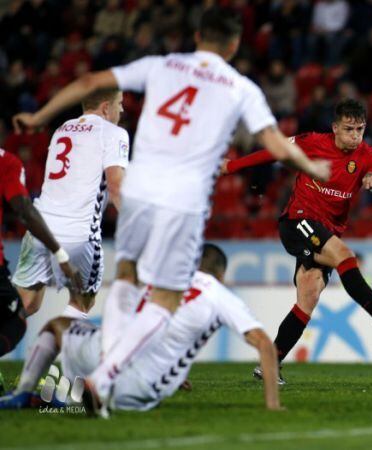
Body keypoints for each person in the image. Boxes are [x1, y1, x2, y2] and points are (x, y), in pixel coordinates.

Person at [12, 7, 329, 415]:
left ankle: (97, 365)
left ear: (197, 36)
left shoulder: (162, 65)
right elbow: (272, 139)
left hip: (140, 189)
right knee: (166, 296)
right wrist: (309, 165)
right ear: (233, 44)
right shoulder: (238, 85)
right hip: (183, 199)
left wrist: (37, 116)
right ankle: (102, 378)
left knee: (125, 280)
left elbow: (91, 81)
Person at [223, 99, 372, 383]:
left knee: (309, 296)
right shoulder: (313, 142)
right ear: (335, 128)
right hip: (297, 221)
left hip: (325, 231)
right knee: (344, 255)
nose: (355, 136)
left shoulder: (365, 154)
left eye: (360, 129)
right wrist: (233, 167)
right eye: (349, 129)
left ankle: (270, 363)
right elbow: (275, 150)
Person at [0, 244, 282, 414]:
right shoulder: (219, 294)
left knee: (58, 326)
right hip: (141, 388)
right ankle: (84, 395)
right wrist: (272, 405)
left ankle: (27, 392)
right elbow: (265, 344)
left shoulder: (161, 277)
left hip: (107, 353)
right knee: (125, 388)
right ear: (221, 274)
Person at [12, 89, 128, 320]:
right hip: (78, 232)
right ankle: (54, 355)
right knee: (81, 303)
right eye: (119, 103)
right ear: (106, 107)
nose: (122, 109)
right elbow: (115, 185)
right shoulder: (114, 133)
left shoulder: (62, 129)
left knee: (26, 305)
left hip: (40, 228)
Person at [0, 148, 82, 360]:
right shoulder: (7, 162)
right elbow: (23, 208)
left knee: (27, 306)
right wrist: (59, 252)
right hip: (62, 225)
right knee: (15, 319)